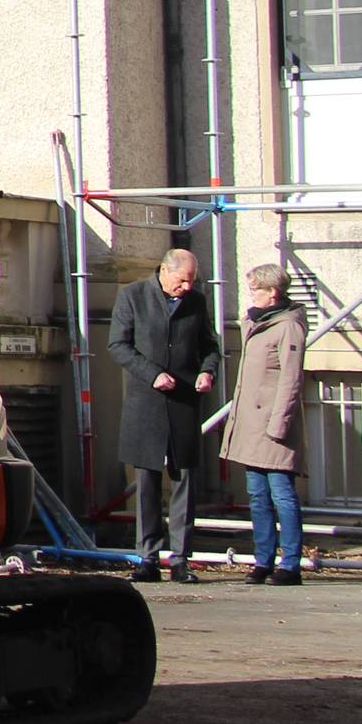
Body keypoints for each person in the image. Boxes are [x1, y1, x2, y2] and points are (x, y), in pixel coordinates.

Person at [106, 248, 221, 582]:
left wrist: (207, 372)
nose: (186, 287)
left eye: (191, 282)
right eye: (181, 281)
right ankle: (147, 557)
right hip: (147, 402)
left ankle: (181, 558)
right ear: (164, 272)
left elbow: (210, 346)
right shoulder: (133, 296)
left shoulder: (196, 302)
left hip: (184, 402)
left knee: (184, 479)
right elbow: (118, 345)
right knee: (147, 482)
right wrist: (151, 373)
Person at [219, 263, 308, 585]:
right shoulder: (256, 322)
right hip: (251, 425)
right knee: (257, 494)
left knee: (282, 494)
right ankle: (263, 560)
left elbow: (290, 379)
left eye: (255, 288)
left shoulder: (288, 326)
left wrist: (279, 424)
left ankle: (291, 563)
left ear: (273, 292)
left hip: (273, 425)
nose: (250, 294)